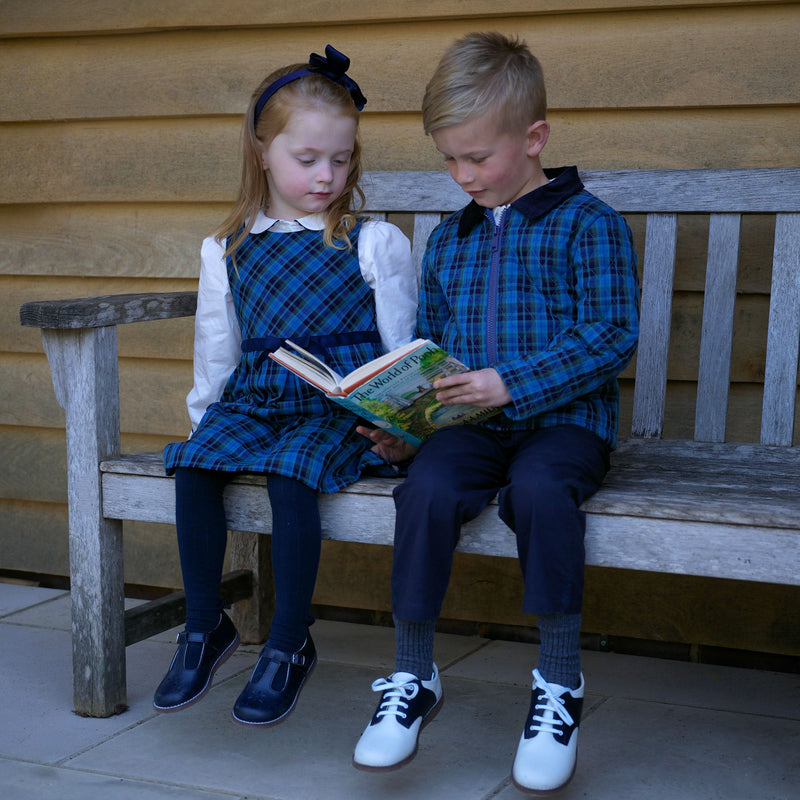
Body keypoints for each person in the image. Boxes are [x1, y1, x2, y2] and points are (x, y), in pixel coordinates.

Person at [352, 32, 639, 793]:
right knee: (428, 490)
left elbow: (610, 336)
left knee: (542, 492)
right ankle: (413, 675)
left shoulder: (589, 224)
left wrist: (513, 383)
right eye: (449, 158)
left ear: (534, 138)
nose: (463, 174)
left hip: (564, 427)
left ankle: (559, 683)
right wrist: (408, 427)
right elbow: (438, 356)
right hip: (473, 431)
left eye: (477, 157)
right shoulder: (450, 240)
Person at [153, 45, 417, 727]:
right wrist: (204, 423)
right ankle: (205, 627)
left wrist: (402, 428)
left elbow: (401, 347)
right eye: (308, 159)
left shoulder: (370, 240)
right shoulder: (230, 246)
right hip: (257, 399)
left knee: (291, 473)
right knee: (193, 465)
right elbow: (217, 347)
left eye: (342, 159)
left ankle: (289, 641)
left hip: (336, 408)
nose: (327, 176)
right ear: (263, 151)